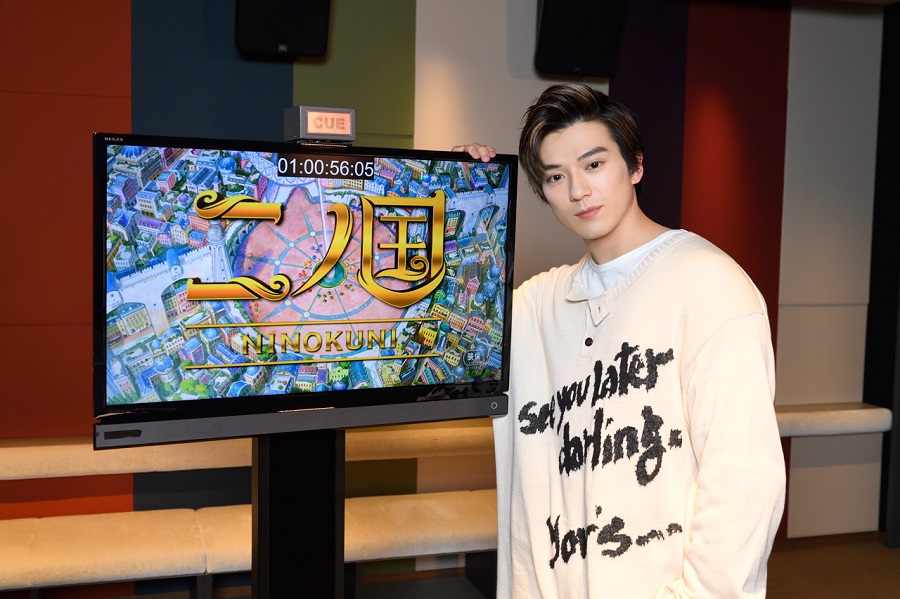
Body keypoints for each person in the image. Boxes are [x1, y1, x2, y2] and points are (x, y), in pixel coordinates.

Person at [454, 83, 785, 598]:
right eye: (556, 176)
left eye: (593, 164)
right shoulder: (539, 304)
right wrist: (461, 199)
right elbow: (444, 339)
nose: (578, 191)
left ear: (635, 166)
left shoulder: (710, 285)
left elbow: (743, 479)